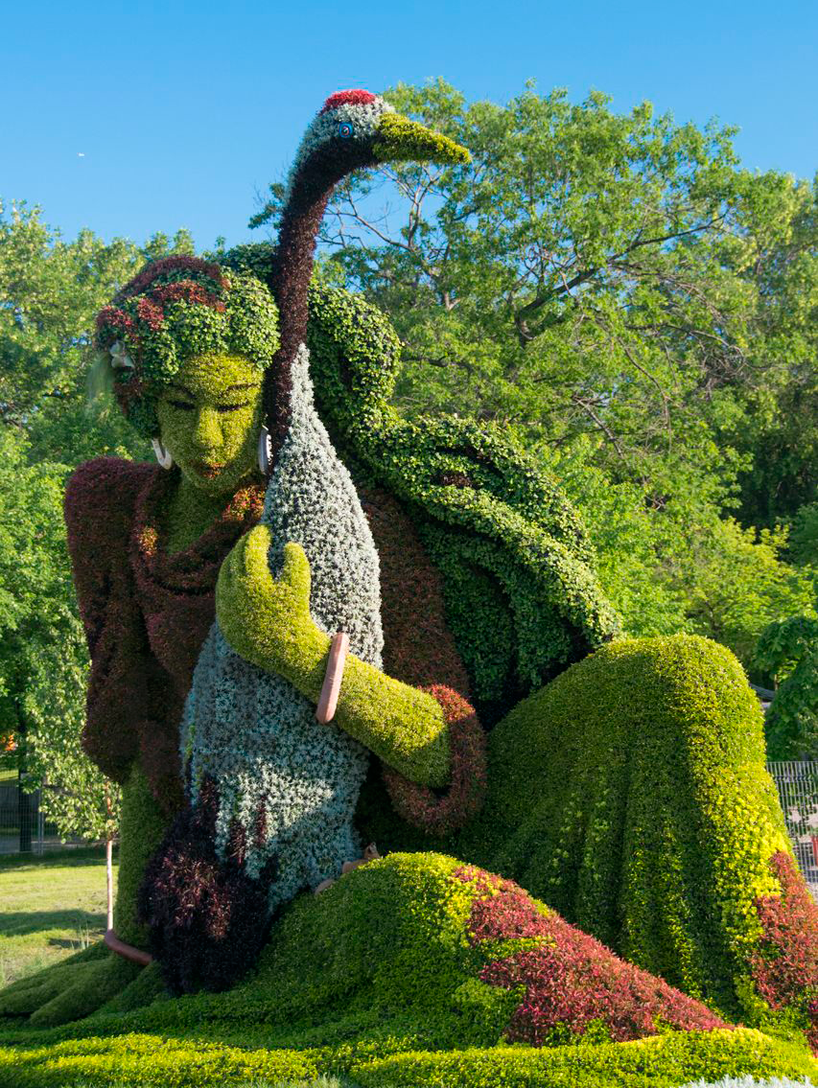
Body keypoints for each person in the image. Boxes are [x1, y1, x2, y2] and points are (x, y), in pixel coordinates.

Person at [1, 254, 815, 1050]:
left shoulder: (351, 517)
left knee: (686, 680)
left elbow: (443, 758)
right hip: (246, 899)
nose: (208, 435)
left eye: (233, 403)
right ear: (143, 399)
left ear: (275, 396)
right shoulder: (116, 513)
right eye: (181, 404)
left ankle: (749, 1042)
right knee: (415, 908)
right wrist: (135, 951)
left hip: (384, 848)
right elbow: (150, 749)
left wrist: (303, 654)